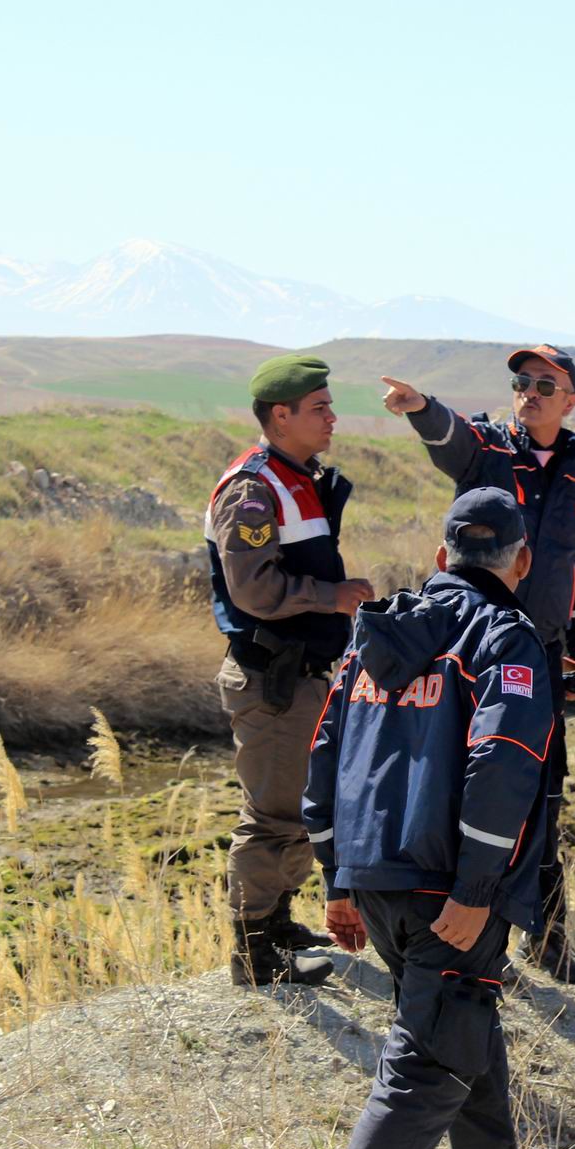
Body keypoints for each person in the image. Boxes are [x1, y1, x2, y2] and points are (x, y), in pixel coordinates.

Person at [294, 489, 554, 1149]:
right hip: (451, 891)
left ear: (444, 557)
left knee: (467, 1059)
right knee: (421, 1075)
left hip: (375, 880)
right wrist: (479, 885)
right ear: (520, 561)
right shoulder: (503, 634)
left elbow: (325, 756)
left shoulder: (374, 636)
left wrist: (338, 878)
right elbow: (503, 760)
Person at [381, 348, 575, 984]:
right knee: (474, 786)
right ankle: (470, 940)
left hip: (543, 656)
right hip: (474, 650)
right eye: (521, 383)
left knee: (544, 798)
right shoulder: (489, 453)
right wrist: (421, 408)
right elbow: (451, 441)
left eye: (543, 385)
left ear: (569, 401)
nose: (529, 392)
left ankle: (550, 942)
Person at [206, 353, 375, 988]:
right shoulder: (253, 489)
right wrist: (330, 596)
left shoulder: (296, 477)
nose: (333, 417)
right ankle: (254, 952)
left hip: (301, 676)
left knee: (304, 810)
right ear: (282, 415)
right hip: (272, 680)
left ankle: (274, 924)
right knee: (273, 816)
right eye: (319, 408)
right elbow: (252, 590)